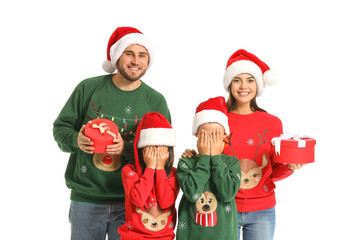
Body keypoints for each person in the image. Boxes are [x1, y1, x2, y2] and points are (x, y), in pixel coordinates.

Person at [53, 27, 171, 240]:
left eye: (142, 55)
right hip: (86, 198)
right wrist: (76, 140)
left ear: (148, 60)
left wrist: (125, 149)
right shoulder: (88, 88)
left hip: (133, 202)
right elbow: (61, 128)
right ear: (117, 56)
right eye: (129, 53)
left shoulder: (155, 101)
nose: (136, 60)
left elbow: (163, 154)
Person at [183, 49, 304, 240]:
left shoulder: (272, 123)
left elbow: (273, 171)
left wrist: (290, 167)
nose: (243, 86)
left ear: (258, 84)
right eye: (237, 79)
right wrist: (193, 156)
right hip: (224, 206)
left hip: (262, 210)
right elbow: (209, 156)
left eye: (250, 79)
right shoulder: (219, 120)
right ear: (229, 84)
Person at [176, 96, 241, 240]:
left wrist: (216, 158)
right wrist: (204, 158)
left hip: (224, 235)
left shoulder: (232, 163)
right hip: (191, 235)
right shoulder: (186, 163)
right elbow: (192, 193)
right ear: (197, 135)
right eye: (206, 135)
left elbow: (227, 194)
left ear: (225, 135)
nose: (211, 140)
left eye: (216, 135)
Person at [118, 112, 179, 240]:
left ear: (168, 151)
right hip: (133, 237)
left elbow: (165, 202)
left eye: (161, 147)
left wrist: (160, 169)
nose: (156, 151)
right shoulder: (129, 171)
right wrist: (150, 168)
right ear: (142, 150)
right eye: (151, 147)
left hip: (164, 237)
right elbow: (138, 200)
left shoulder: (173, 173)